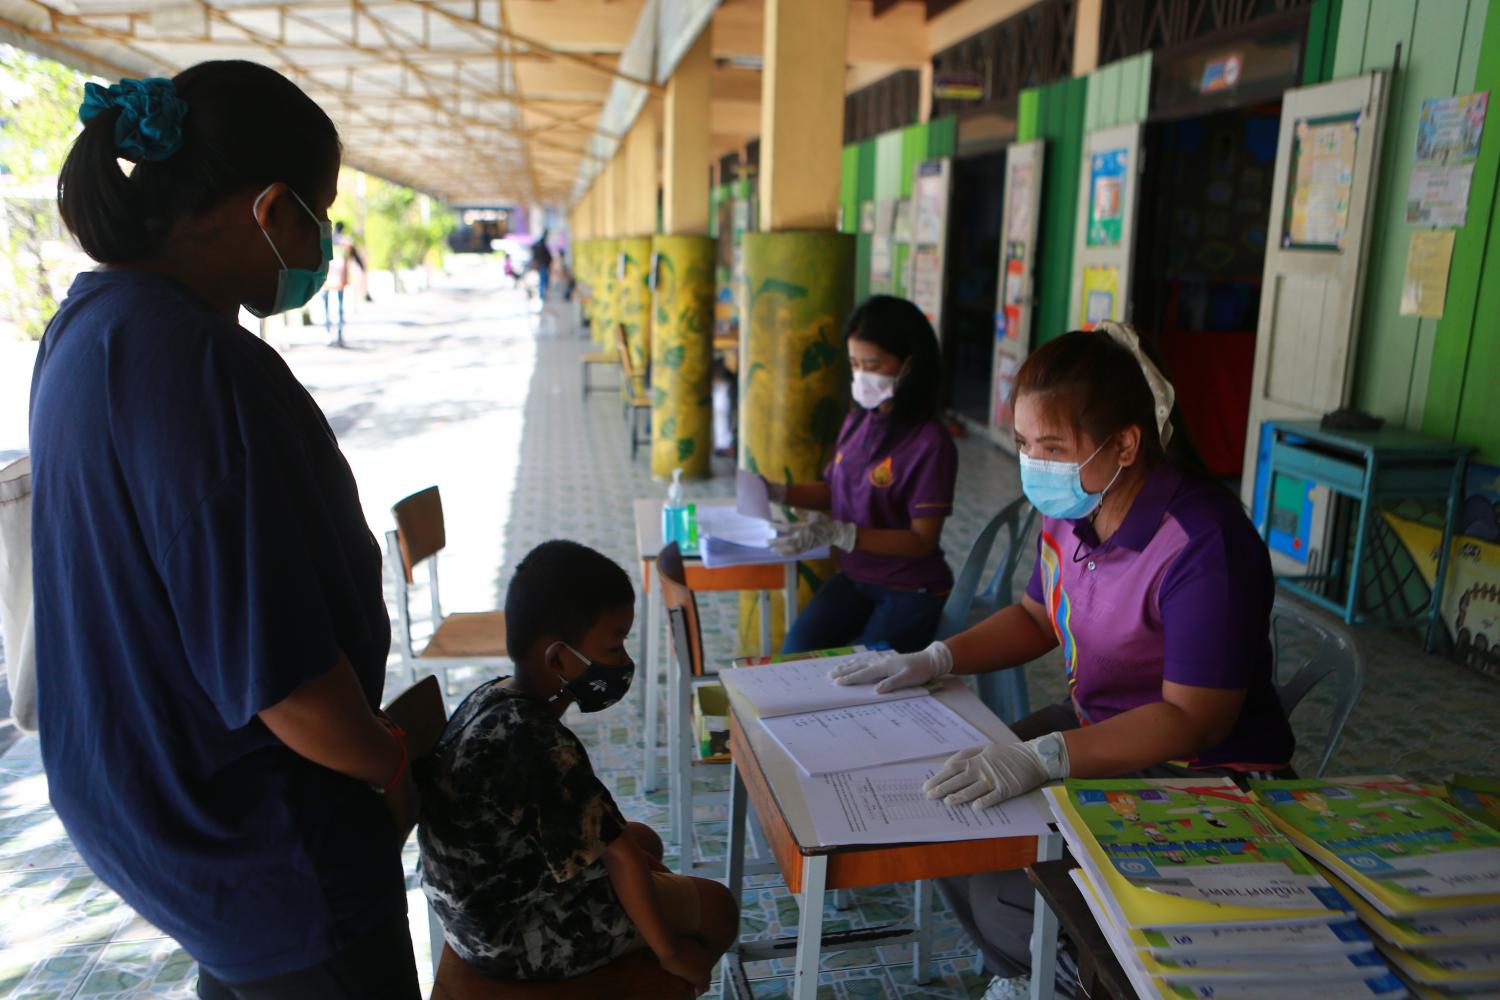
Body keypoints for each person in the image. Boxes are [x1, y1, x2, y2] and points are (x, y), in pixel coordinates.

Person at [32, 64, 419, 999]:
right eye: (317, 214)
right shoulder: (195, 362)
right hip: (270, 842)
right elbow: (285, 685)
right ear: (269, 208)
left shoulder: (84, 329)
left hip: (181, 833)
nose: (320, 242)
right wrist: (400, 768)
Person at [830, 323, 1296, 1000]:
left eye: (1052, 447)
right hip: (1095, 733)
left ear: (1126, 444)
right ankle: (1032, 971)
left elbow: (1193, 719)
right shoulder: (1076, 509)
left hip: (1203, 777)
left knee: (1007, 887)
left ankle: (1076, 980)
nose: (1034, 464)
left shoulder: (1204, 543)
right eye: (1024, 444)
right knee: (940, 819)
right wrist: (936, 656)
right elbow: (1037, 615)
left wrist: (1044, 758)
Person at [417, 540, 739, 997]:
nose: (623, 661)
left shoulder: (494, 698)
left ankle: (652, 942)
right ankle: (668, 972)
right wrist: (671, 951)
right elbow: (619, 855)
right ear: (558, 658)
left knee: (643, 839)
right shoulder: (537, 742)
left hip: (474, 911)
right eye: (614, 645)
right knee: (717, 906)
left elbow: (608, 837)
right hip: (511, 937)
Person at [766, 295, 958, 655]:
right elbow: (834, 490)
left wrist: (844, 533)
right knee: (795, 651)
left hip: (909, 589)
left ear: (909, 364)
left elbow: (921, 541)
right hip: (855, 578)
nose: (861, 375)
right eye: (854, 364)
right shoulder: (858, 421)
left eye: (872, 364)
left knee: (866, 672)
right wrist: (779, 492)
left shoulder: (931, 443)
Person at [321, 220, 365, 347]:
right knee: (340, 308)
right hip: (340, 280)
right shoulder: (346, 242)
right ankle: (340, 335)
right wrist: (362, 269)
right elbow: (356, 257)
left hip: (326, 279)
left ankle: (327, 333)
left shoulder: (328, 240)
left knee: (326, 308)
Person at [530, 229, 554, 302]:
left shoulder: (540, 244)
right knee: (543, 281)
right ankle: (542, 296)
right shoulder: (541, 244)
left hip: (542, 265)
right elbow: (546, 255)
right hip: (543, 265)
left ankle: (542, 295)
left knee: (543, 280)